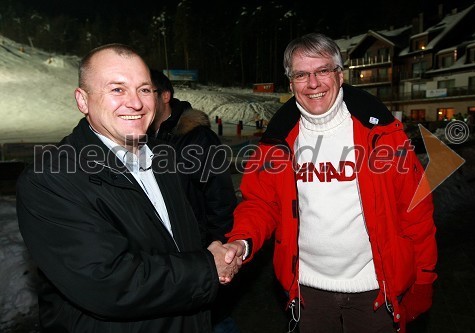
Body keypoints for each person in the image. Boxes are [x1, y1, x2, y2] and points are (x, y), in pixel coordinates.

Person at [16, 43, 243, 333]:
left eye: (144, 89)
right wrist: (208, 268)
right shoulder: (50, 179)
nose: (136, 103)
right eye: (117, 89)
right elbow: (109, 283)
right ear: (82, 101)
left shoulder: (165, 157)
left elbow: (178, 241)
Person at [224, 33, 438, 333]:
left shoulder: (384, 136)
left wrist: (424, 278)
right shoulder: (276, 141)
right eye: (301, 74)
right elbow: (260, 203)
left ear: (340, 75)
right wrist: (241, 240)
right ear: (290, 83)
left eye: (323, 70)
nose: (313, 83)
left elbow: (416, 212)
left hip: (376, 289)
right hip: (309, 292)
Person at [148, 69, 240, 333]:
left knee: (215, 320)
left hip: (201, 253)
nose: (138, 100)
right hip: (167, 260)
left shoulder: (197, 139)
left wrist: (215, 250)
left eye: (146, 91)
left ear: (165, 95)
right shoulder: (141, 139)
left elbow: (220, 200)